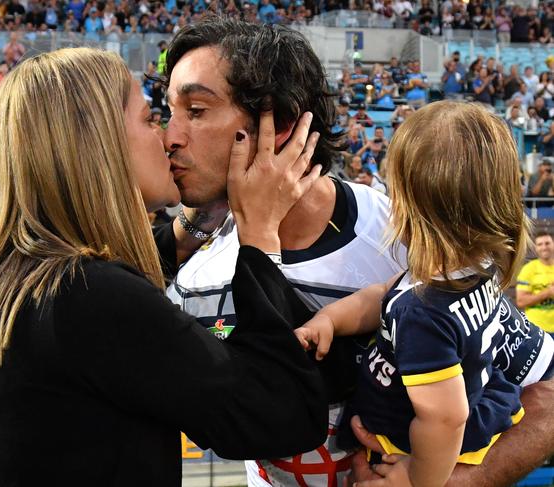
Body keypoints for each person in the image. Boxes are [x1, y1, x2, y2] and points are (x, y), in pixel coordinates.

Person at [163, 17, 554, 487]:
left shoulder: (413, 238)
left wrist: (457, 481)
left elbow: (545, 389)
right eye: (168, 111)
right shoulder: (193, 281)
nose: (171, 136)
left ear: (281, 124)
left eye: (197, 110)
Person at [0, 48, 327, 486]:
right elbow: (277, 414)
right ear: (98, 144)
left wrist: (198, 220)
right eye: (148, 120)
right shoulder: (88, 297)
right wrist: (258, 237)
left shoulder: (1, 278)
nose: (168, 138)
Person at [295, 101, 554, 487]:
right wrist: (330, 319)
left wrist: (417, 480)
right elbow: (383, 294)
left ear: (409, 204)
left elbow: (443, 419)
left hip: (417, 447)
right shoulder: (468, 271)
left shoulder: (424, 314)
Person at [517, 231, 554, 334]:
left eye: (547, 243)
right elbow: (521, 302)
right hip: (537, 330)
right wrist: (548, 293)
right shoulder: (528, 269)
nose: (544, 247)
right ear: (536, 248)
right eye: (540, 244)